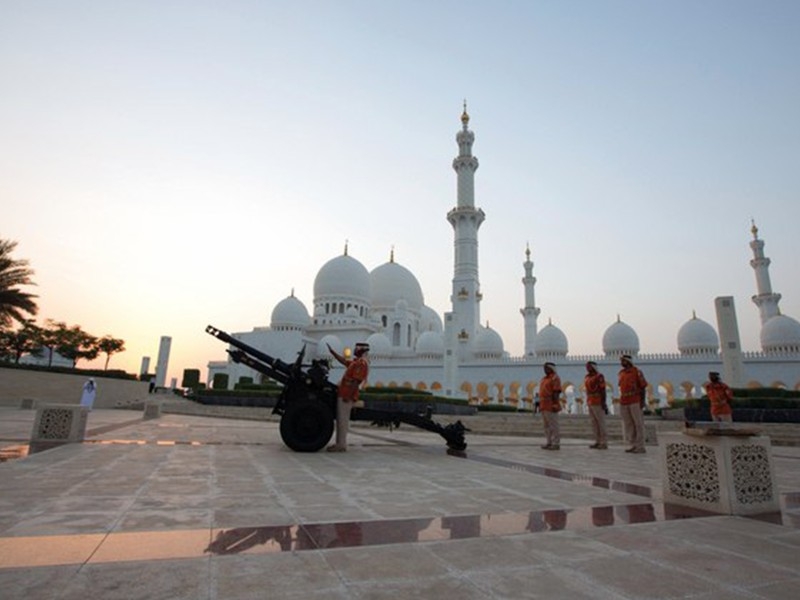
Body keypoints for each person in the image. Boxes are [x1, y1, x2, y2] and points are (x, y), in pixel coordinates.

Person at [326, 342, 370, 452]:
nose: (355, 349)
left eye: (357, 348)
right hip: (343, 393)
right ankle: (339, 444)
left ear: (362, 350)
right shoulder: (356, 362)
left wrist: (348, 395)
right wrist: (333, 353)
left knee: (343, 420)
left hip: (347, 395)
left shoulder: (361, 363)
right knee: (341, 420)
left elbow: (356, 381)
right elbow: (344, 361)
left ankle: (341, 445)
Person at [618, 354, 647, 453]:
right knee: (628, 424)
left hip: (635, 400)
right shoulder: (621, 373)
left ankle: (640, 446)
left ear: (628, 361)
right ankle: (633, 444)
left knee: (638, 423)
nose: (621, 363)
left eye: (623, 361)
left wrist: (642, 402)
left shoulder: (637, 372)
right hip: (624, 400)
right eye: (621, 361)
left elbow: (642, 387)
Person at [585, 361, 608, 449]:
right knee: (594, 423)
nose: (587, 368)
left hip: (598, 401)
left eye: (589, 366)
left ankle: (604, 442)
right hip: (590, 401)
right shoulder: (587, 377)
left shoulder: (599, 376)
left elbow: (603, 389)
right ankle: (597, 441)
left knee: (601, 422)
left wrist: (603, 402)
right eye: (587, 367)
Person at [539, 362, 562, 450]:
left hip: (551, 404)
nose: (544, 370)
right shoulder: (544, 379)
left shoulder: (555, 378)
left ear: (551, 368)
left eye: (546, 368)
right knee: (546, 425)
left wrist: (555, 403)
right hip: (544, 405)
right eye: (544, 368)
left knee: (553, 425)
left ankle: (556, 443)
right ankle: (549, 442)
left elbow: (556, 392)